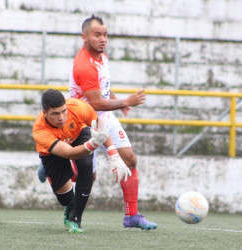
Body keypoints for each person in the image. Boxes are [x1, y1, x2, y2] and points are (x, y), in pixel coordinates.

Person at [68, 14, 157, 230]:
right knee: (87, 176)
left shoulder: (101, 57)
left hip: (104, 117)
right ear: (85, 37)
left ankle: (132, 216)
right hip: (84, 121)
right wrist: (127, 101)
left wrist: (118, 101)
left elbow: (103, 88)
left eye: (105, 34)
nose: (103, 39)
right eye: (97, 35)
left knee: (130, 160)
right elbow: (96, 102)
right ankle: (53, 163)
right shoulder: (84, 65)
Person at [32, 89, 130, 233]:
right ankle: (46, 169)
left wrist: (113, 155)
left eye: (63, 111)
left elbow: (101, 129)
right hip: (54, 151)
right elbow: (70, 153)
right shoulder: (40, 130)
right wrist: (93, 144)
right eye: (55, 114)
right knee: (65, 200)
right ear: (44, 112)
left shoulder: (79, 107)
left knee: (86, 165)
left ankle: (75, 219)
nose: (61, 117)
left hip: (78, 134)